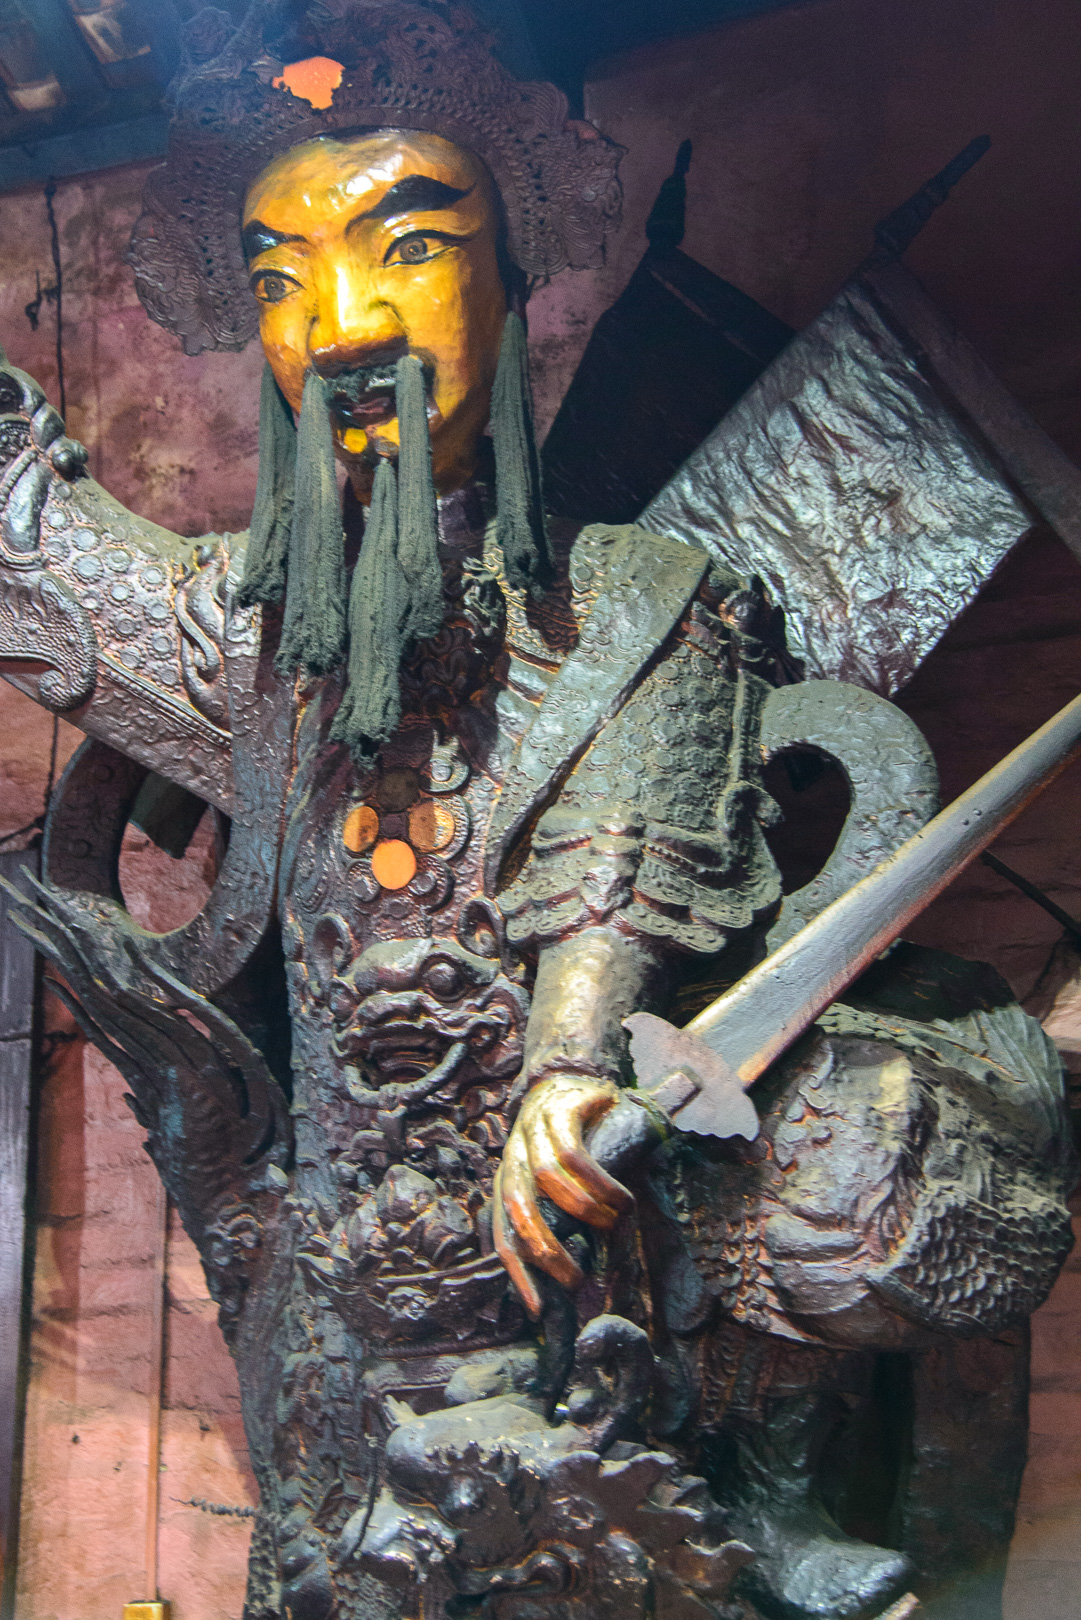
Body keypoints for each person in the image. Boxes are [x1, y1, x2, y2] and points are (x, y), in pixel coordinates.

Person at [0, 4, 1072, 1618]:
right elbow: (32, 552)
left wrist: (572, 1064)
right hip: (341, 1240)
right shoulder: (243, 626)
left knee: (846, 1150)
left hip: (590, 1208)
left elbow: (619, 855)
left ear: (507, 280)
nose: (342, 324)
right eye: (283, 281)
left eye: (406, 251)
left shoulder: (642, 599)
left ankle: (769, 1499)